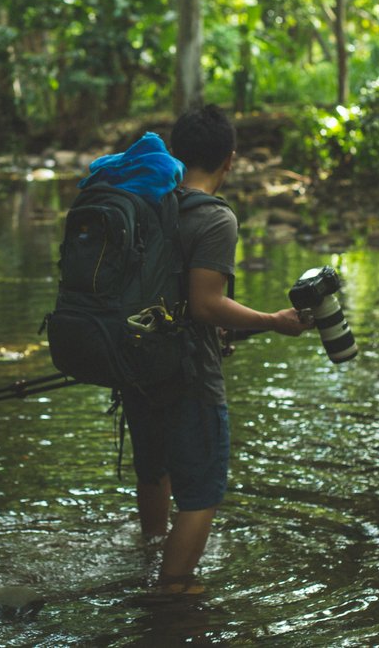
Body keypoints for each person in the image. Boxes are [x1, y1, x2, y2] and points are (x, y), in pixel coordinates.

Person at [120, 104, 311, 594]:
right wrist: (272, 321)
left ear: (177, 155)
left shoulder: (146, 205)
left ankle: (150, 552)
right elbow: (207, 304)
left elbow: (167, 296)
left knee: (154, 472)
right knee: (202, 493)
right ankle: (173, 590)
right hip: (188, 376)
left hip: (137, 365)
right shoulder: (214, 218)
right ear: (229, 160)